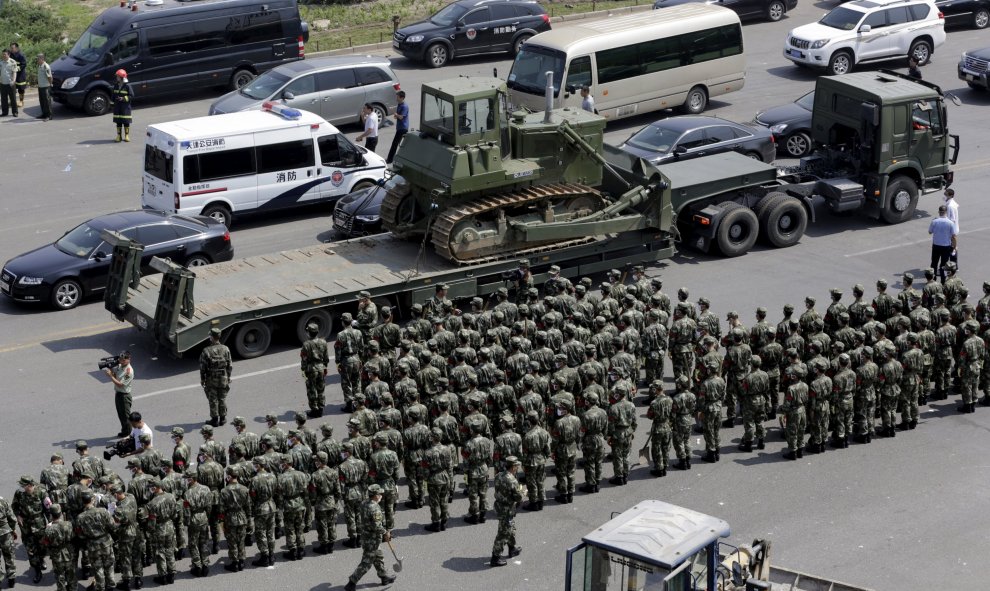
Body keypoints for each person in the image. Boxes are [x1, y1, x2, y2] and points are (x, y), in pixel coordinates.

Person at [343, 485, 395, 591]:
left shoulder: (364, 503)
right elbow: (376, 526)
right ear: (375, 495)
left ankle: (384, 576)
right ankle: (351, 582)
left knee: (378, 557)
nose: (381, 496)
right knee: (366, 563)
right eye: (379, 494)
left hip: (366, 536)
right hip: (372, 539)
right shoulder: (375, 508)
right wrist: (385, 532)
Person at [490, 456, 524, 567]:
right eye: (516, 466)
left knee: (511, 527)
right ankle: (495, 557)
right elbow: (518, 497)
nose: (517, 467)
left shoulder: (498, 475)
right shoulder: (512, 480)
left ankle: (512, 548)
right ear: (513, 467)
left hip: (499, 505)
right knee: (503, 533)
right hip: (507, 509)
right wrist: (523, 492)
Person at [199, 327, 232, 426]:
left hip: (211, 379)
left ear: (211, 337)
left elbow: (202, 367)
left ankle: (214, 420)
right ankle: (223, 419)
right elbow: (229, 365)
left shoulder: (206, 351)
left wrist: (202, 379)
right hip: (223, 378)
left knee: (213, 399)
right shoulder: (226, 349)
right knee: (222, 398)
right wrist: (228, 377)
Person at [300, 322, 329, 418]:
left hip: (311, 368)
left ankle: (314, 410)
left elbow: (304, 359)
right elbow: (326, 357)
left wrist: (303, 370)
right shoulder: (323, 342)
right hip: (321, 367)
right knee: (321, 389)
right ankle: (321, 408)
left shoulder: (306, 344)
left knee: (312, 390)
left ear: (309, 333)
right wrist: (324, 366)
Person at [105, 351, 134, 436]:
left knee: (126, 417)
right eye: (120, 359)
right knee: (120, 415)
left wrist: (110, 376)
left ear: (129, 359)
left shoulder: (129, 371)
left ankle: (128, 433)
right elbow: (115, 376)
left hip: (124, 396)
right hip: (118, 394)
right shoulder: (120, 366)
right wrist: (110, 370)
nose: (121, 361)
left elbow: (120, 384)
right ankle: (124, 431)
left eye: (123, 360)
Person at [928, 205, 957, 282]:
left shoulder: (934, 221)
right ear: (946, 212)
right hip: (946, 246)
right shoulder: (950, 223)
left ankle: (932, 280)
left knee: (934, 263)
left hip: (936, 246)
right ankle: (943, 281)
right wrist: (954, 246)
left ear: (939, 212)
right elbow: (954, 236)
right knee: (944, 265)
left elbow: (930, 232)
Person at [386, 90, 408, 163]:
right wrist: (396, 116)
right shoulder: (399, 104)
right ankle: (391, 159)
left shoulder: (404, 106)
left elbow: (401, 117)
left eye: (398, 97)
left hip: (403, 128)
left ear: (402, 98)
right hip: (399, 127)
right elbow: (399, 116)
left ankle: (390, 160)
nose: (396, 98)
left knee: (395, 144)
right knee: (396, 144)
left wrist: (396, 114)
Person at [112, 69, 134, 142]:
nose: (116, 78)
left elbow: (131, 95)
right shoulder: (116, 85)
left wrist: (123, 98)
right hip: (117, 107)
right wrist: (112, 103)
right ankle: (119, 136)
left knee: (126, 121)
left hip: (125, 107)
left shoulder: (127, 86)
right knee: (118, 121)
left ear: (122, 77)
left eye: (118, 76)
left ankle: (127, 135)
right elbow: (113, 95)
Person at [0, 493, 16, 588]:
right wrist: (13, 530)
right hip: (5, 533)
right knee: (9, 554)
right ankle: (11, 578)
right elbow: (12, 518)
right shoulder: (3, 500)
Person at [0, 49, 18, 117]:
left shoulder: (12, 62)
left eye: (5, 54)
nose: (3, 55)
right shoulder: (1, 62)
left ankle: (15, 112)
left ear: (9, 55)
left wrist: (13, 81)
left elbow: (14, 72)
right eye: (3, 54)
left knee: (13, 99)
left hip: (11, 83)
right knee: (3, 99)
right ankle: (5, 112)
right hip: (2, 83)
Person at [34, 53, 52, 121]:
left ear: (42, 59)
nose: (37, 60)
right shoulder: (40, 65)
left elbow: (49, 77)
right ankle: (44, 114)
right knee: (42, 101)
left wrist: (50, 84)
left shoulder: (46, 66)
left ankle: (49, 115)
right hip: (41, 86)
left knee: (47, 102)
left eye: (38, 59)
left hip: (45, 87)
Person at [8, 43, 26, 109]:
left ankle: (21, 101)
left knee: (21, 89)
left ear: (16, 48)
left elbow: (24, 64)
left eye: (12, 48)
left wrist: (16, 69)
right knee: (12, 88)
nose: (11, 49)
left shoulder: (21, 55)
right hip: (12, 74)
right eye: (11, 48)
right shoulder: (11, 54)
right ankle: (13, 101)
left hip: (20, 74)